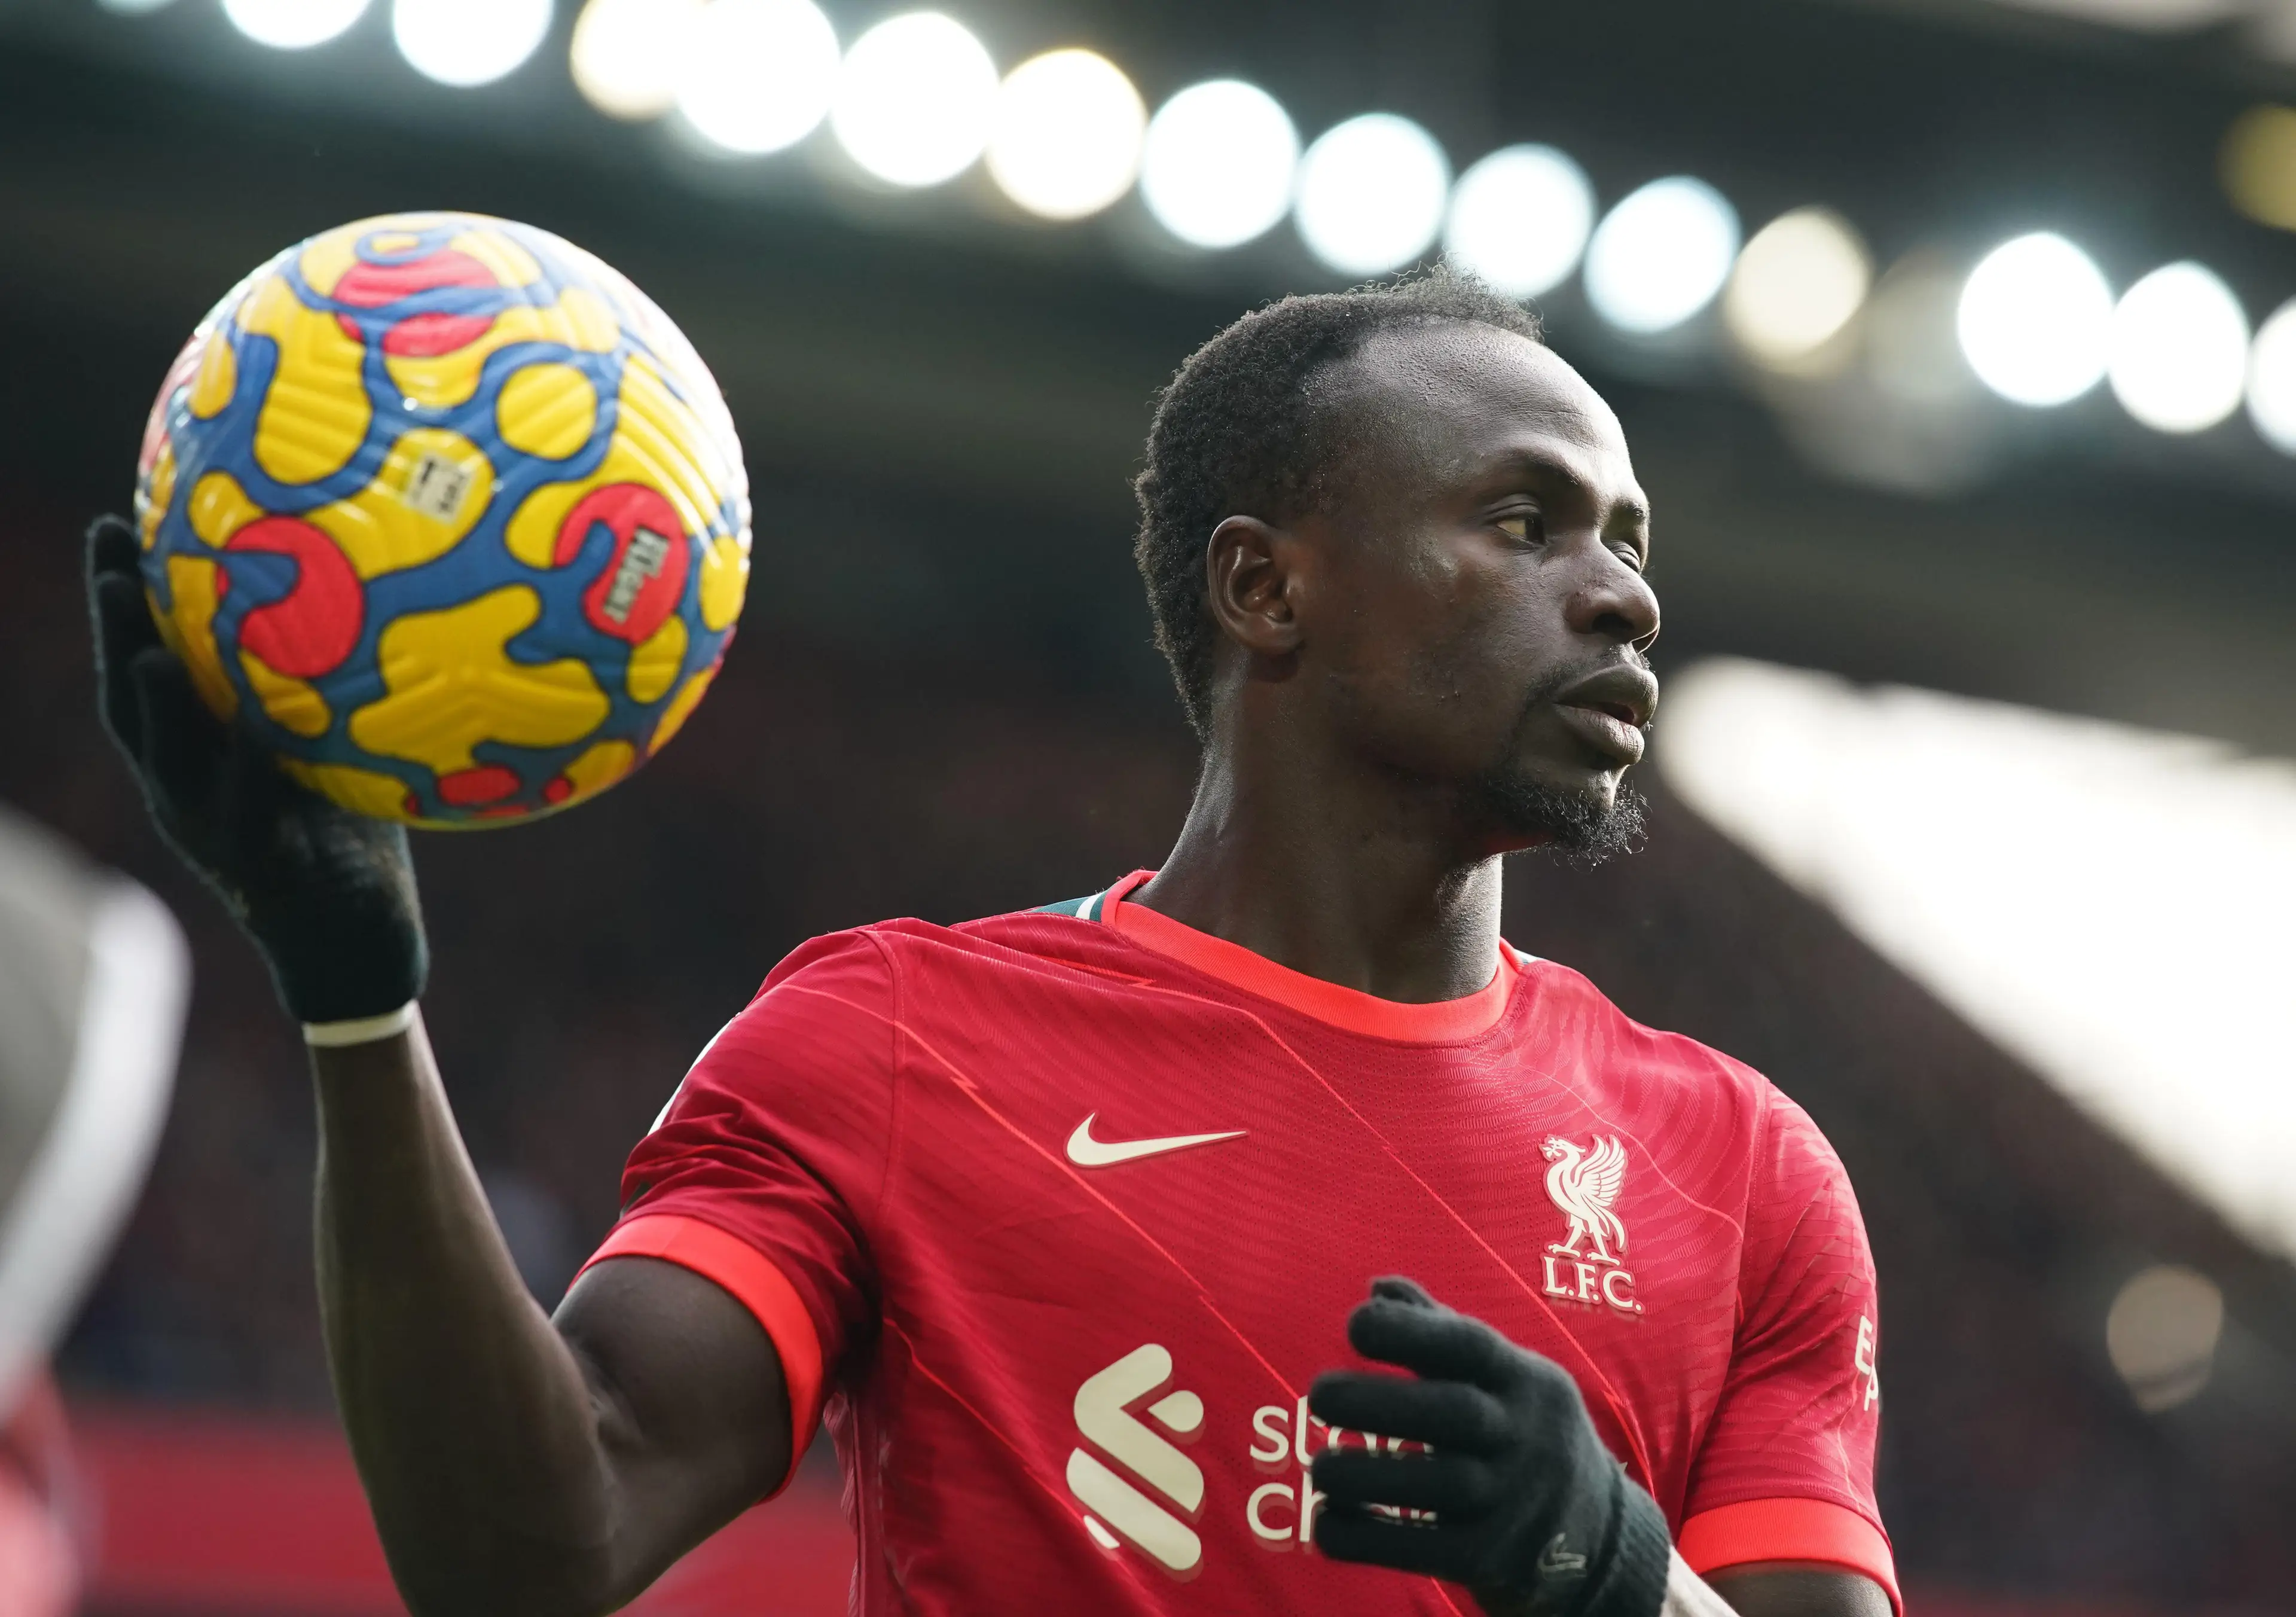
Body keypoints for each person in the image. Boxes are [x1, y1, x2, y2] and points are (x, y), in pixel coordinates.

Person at [86, 272, 1897, 1617]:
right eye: (1528, 520)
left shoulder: (1739, 1171)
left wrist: (1621, 1578)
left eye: (1631, 539)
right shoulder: (895, 1043)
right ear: (1265, 588)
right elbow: (530, 1552)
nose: (1626, 591)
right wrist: (354, 998)